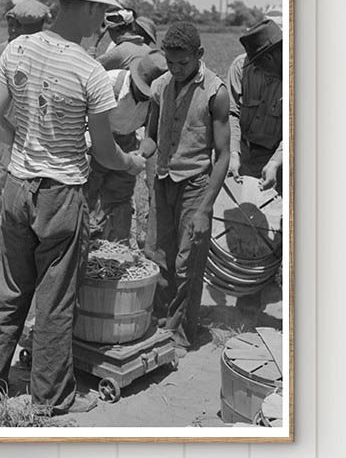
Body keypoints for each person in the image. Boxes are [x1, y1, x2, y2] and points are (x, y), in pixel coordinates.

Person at [0, 0, 146, 417]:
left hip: (17, 188)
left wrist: (23, 144)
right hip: (61, 195)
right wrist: (130, 163)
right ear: (88, 9)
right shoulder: (89, 73)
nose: (100, 24)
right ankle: (52, 399)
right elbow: (106, 153)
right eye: (101, 13)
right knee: (54, 301)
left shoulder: (18, 50)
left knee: (9, 290)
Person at [141, 21, 231, 354]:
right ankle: (162, 323)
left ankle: (180, 334)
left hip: (196, 186)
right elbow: (150, 137)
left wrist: (206, 208)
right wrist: (138, 158)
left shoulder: (215, 92)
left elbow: (223, 156)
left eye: (184, 63)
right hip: (163, 182)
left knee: (187, 261)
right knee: (158, 256)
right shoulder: (160, 87)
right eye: (170, 62)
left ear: (199, 55)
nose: (177, 70)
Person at [85, 51, 168, 242]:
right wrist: (95, 149)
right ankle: (84, 249)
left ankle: (117, 248)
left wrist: (141, 154)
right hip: (95, 141)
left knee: (120, 200)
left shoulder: (156, 98)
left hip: (127, 143)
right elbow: (81, 121)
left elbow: (151, 135)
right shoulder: (108, 83)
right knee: (85, 198)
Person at [227, 17, 284, 191]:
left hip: (277, 158)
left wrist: (276, 162)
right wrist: (233, 152)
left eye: (257, 62)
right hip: (242, 152)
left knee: (277, 213)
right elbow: (231, 113)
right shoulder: (239, 67)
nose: (255, 66)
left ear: (268, 57)